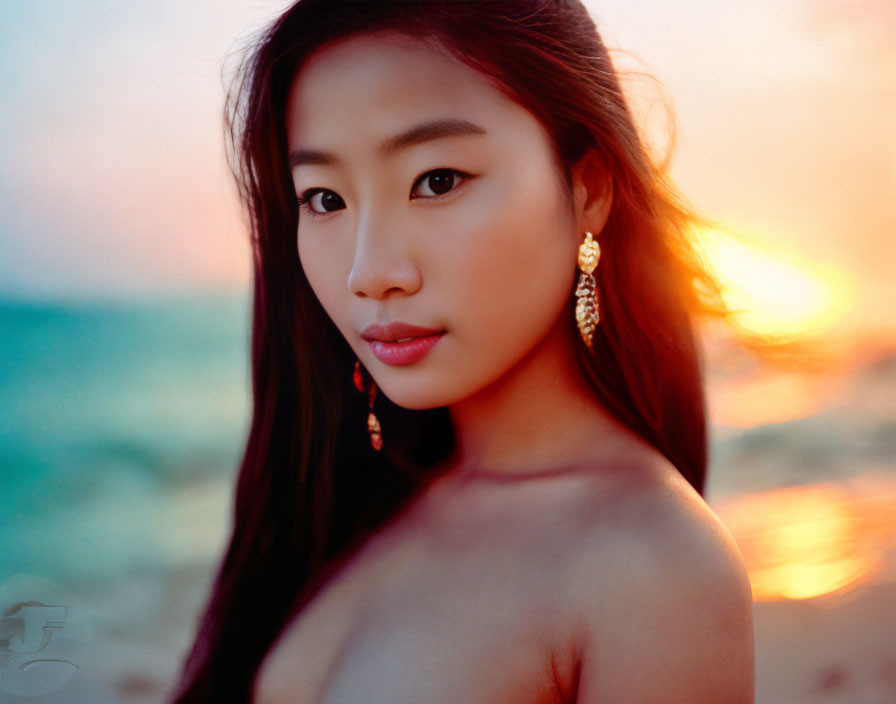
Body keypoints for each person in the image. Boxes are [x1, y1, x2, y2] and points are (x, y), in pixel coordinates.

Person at [171, 1, 755, 701]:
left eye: (437, 180)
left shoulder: (652, 563)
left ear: (589, 188)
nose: (370, 272)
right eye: (325, 199)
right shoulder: (356, 500)